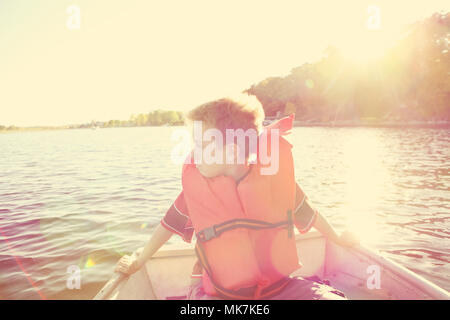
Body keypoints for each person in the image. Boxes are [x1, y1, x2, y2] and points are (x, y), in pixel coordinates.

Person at [115, 93, 358, 299]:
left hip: (279, 290)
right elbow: (168, 225)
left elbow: (308, 212)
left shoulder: (273, 181)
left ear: (230, 152)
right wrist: (140, 260)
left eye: (200, 146)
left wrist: (337, 238)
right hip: (218, 294)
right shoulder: (198, 188)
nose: (192, 155)